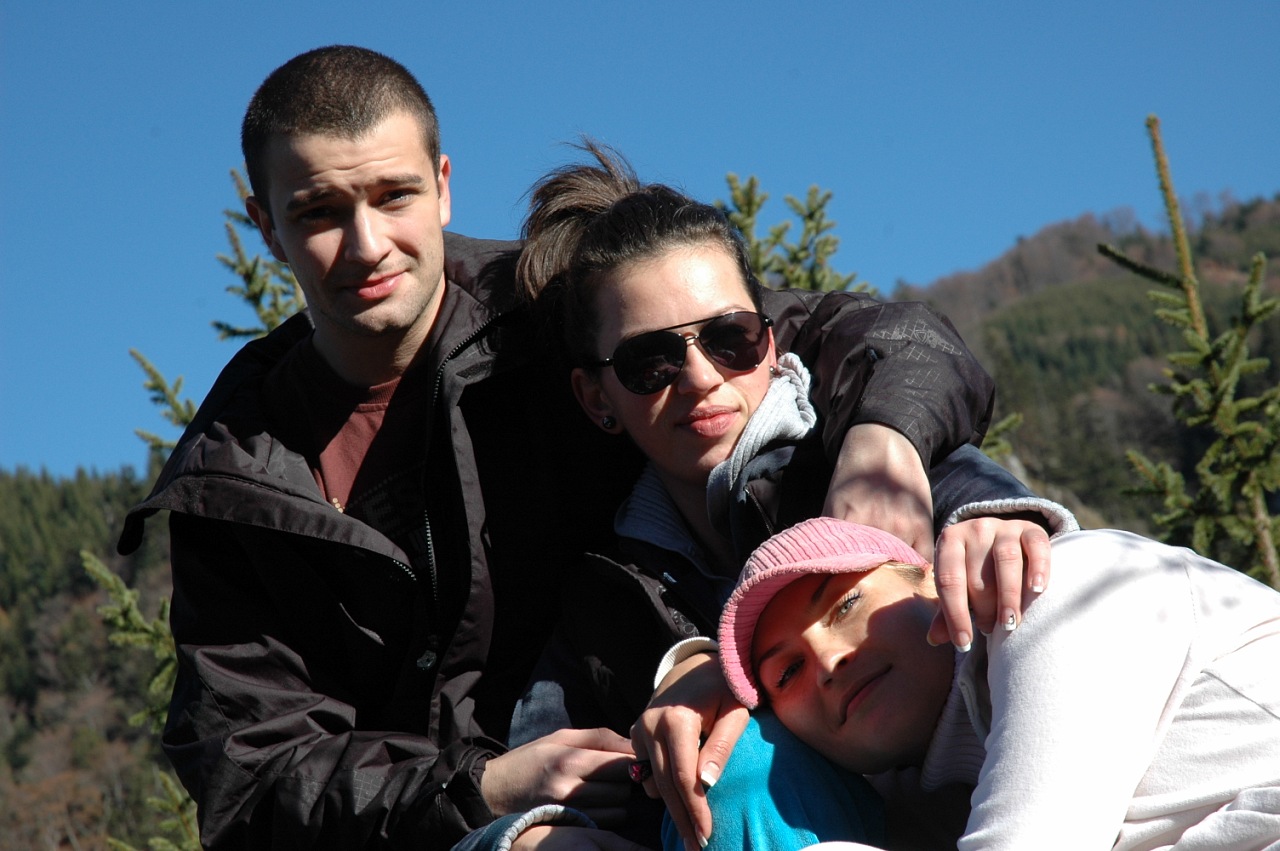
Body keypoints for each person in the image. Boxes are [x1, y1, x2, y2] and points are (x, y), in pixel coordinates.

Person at [115, 47, 1009, 850]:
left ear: (443, 185)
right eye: (318, 211)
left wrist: (885, 440)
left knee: (736, 775)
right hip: (478, 830)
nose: (367, 244)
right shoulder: (233, 484)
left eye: (394, 196)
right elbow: (249, 778)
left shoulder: (557, 305)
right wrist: (482, 791)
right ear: (264, 224)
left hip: (658, 779)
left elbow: (856, 339)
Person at [454, 143, 1071, 850]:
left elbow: (1003, 521)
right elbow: (552, 778)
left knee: (744, 771)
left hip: (1022, 810)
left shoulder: (852, 450)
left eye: (729, 338)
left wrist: (999, 521)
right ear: (596, 397)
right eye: (650, 360)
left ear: (771, 343)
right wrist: (531, 833)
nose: (699, 378)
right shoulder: (605, 595)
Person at [716, 516, 1280, 849]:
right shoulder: (919, 790)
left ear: (932, 582)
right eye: (787, 672)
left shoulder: (1059, 591)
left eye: (847, 604)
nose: (828, 660)